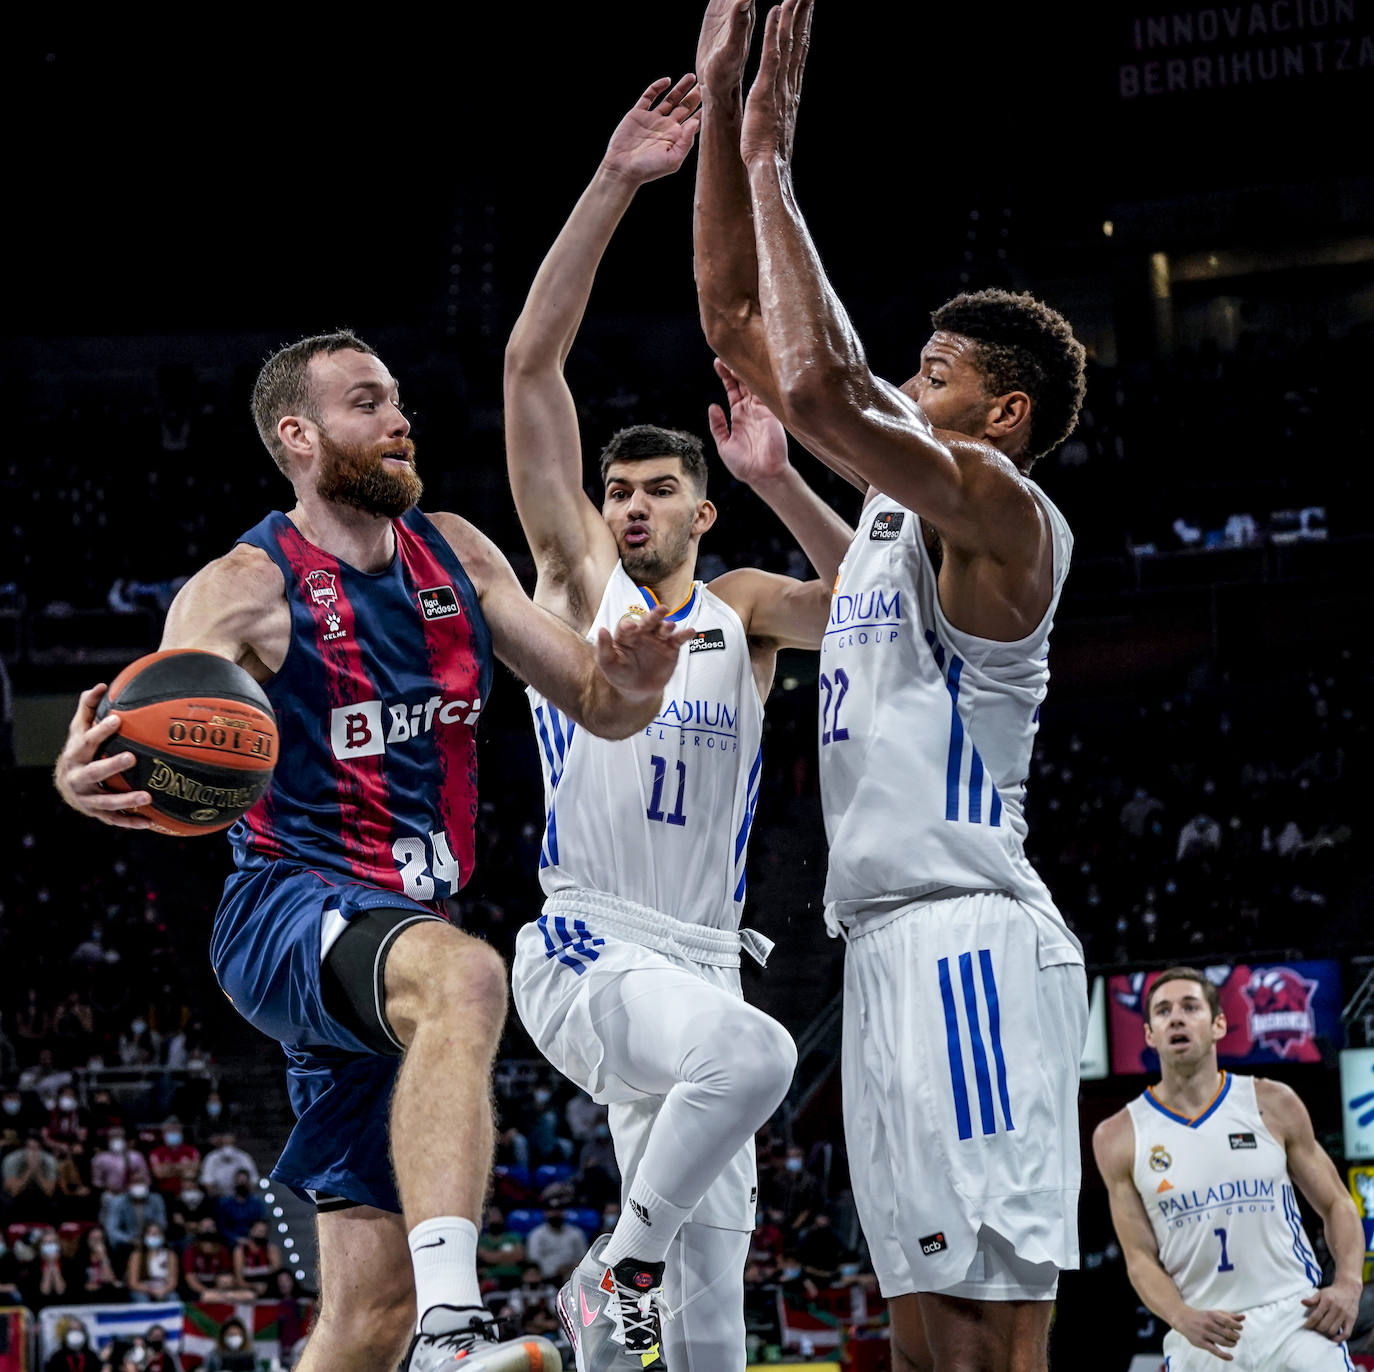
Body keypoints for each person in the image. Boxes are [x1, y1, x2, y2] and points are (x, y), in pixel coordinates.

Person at [55, 328, 689, 1371]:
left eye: (398, 400)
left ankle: (414, 1324)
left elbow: (600, 704)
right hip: (286, 906)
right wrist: (90, 775)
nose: (400, 420)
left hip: (398, 939)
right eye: (367, 403)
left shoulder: (458, 553)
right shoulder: (242, 586)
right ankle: (455, 1333)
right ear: (298, 436)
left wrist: (641, 676)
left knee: (367, 1311)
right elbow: (158, 725)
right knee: (468, 978)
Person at [694, 3, 1091, 1368]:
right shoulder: (888, 529)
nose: (905, 393)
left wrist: (771, 163)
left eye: (933, 375)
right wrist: (717, 109)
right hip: (881, 948)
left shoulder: (1006, 514)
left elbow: (818, 384)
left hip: (969, 938)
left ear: (1002, 414)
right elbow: (734, 320)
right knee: (919, 1339)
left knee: (987, 1339)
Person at [504, 73, 847, 1372]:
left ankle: (616, 1299)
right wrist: (612, 181)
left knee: (713, 1299)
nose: (632, 505)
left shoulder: (744, 611)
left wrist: (784, 477)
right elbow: (530, 366)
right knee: (757, 1058)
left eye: (659, 489)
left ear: (702, 511)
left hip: (700, 961)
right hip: (592, 942)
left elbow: (878, 602)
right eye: (619, 489)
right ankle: (612, 1272)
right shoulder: (575, 584)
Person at [1093, 967, 1364, 1367]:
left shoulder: (1272, 1102)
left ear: (1218, 1024)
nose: (1177, 1018)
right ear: (1149, 1034)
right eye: (1163, 1011)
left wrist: (1348, 1284)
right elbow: (1140, 1259)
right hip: (1203, 1333)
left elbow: (1337, 1203)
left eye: (1190, 1007)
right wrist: (1180, 1316)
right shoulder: (1118, 1136)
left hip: (1293, 1319)